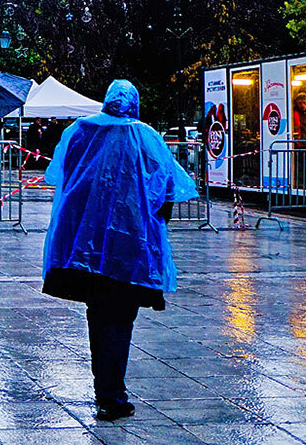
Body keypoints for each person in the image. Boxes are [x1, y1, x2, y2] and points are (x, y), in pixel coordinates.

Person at [41, 80, 197, 422]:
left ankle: (106, 390)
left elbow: (64, 181)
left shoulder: (81, 132)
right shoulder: (147, 138)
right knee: (121, 317)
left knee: (98, 315)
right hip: (131, 246)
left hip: (86, 246)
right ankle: (113, 394)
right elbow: (168, 189)